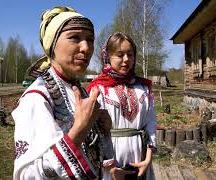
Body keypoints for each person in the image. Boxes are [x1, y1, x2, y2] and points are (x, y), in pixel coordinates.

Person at [12, 6, 110, 179]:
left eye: (90, 40)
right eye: (74, 38)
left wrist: (104, 129)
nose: (86, 48)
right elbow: (27, 176)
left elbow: (93, 155)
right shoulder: (37, 98)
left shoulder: (77, 89)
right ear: (52, 45)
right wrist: (79, 130)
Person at [87, 32, 157, 180]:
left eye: (130, 55)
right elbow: (94, 132)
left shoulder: (143, 87)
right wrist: (110, 167)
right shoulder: (98, 89)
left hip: (141, 158)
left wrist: (148, 159)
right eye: (120, 55)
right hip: (111, 162)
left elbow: (151, 123)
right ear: (108, 57)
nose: (126, 60)